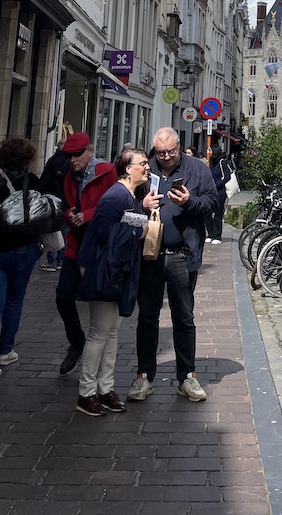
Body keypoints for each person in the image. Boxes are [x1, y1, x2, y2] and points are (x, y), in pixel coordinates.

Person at [127, 128, 218, 404]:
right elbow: (124, 206)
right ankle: (144, 376)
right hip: (149, 255)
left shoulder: (197, 169)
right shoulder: (144, 168)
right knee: (147, 318)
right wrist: (140, 205)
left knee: (184, 317)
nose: (165, 157)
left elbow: (212, 203)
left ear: (180, 147)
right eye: (161, 152)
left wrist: (189, 202)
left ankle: (187, 377)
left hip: (183, 254)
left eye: (171, 152)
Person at [75, 147, 158, 416]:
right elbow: (104, 233)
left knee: (111, 333)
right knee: (99, 333)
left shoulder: (129, 195)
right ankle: (86, 393)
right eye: (142, 164)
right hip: (104, 271)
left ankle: (105, 388)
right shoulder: (115, 197)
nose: (147, 167)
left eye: (147, 163)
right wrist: (140, 228)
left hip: (117, 271)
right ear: (127, 168)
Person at [0, 137, 43, 378]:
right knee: (15, 299)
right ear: (27, 159)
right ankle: (6, 350)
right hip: (23, 247)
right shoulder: (33, 182)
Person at [56, 133, 117, 376]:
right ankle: (77, 342)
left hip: (99, 248)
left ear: (89, 152)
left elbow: (113, 204)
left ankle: (98, 362)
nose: (72, 160)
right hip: (76, 244)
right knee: (63, 297)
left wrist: (88, 214)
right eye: (68, 156)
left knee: (98, 306)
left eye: (77, 155)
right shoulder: (70, 177)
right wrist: (70, 214)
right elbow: (66, 205)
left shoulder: (106, 171)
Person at [38, 142, 72, 271]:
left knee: (52, 229)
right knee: (64, 230)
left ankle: (51, 260)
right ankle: (61, 259)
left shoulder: (53, 161)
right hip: (66, 200)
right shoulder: (70, 162)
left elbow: (44, 180)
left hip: (53, 199)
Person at [206, 152, 233, 244]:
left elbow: (227, 176)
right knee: (207, 213)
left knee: (218, 213)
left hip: (219, 191)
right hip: (210, 191)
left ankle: (217, 236)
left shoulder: (222, 162)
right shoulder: (211, 163)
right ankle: (210, 234)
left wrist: (216, 185)